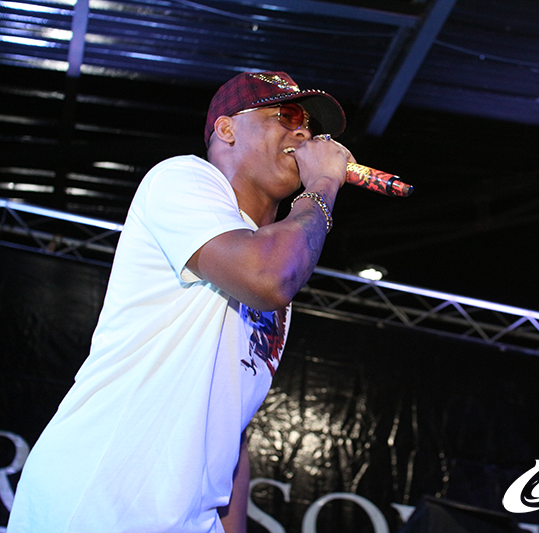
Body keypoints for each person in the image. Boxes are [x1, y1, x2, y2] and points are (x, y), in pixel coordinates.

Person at [8, 70, 354, 533]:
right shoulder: (183, 179)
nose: (304, 134)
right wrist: (324, 184)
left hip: (187, 519)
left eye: (312, 127)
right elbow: (267, 275)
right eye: (288, 116)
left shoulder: (277, 257)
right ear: (226, 128)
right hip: (100, 498)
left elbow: (231, 427)